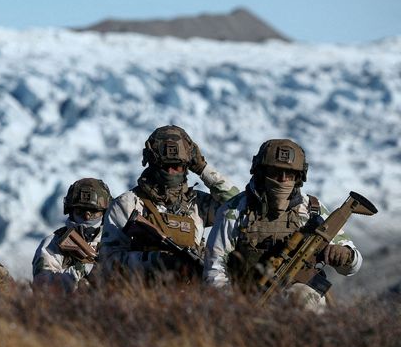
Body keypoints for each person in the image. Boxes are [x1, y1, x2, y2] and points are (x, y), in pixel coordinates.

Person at [203, 139, 362, 311]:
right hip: (248, 299)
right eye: (275, 173)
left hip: (298, 298)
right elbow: (215, 268)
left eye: (290, 175)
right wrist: (232, 307)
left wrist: (346, 255)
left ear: (299, 178)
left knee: (304, 298)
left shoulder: (311, 210)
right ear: (261, 173)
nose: (283, 180)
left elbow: (353, 265)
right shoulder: (235, 210)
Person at [98, 125, 239, 283]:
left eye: (177, 166)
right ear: (152, 164)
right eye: (165, 166)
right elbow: (108, 262)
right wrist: (156, 261)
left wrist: (202, 168)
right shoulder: (128, 203)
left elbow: (237, 205)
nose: (171, 172)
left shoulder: (198, 204)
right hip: (141, 297)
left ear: (187, 166)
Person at [32, 178, 111, 293]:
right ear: (70, 211)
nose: (87, 217)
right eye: (80, 211)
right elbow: (42, 288)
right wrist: (80, 270)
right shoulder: (52, 244)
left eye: (93, 212)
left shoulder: (115, 240)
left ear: (104, 213)